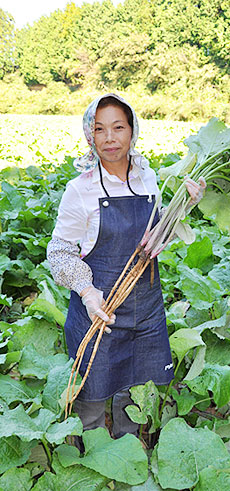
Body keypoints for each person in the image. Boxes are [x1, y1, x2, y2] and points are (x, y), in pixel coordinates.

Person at [47, 93, 205, 441]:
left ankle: (128, 457)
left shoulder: (150, 180)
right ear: (90, 136)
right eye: (99, 129)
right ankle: (89, 458)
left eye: (118, 127)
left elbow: (160, 233)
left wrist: (188, 203)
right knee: (92, 397)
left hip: (145, 309)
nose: (109, 138)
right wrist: (88, 294)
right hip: (99, 312)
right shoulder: (81, 190)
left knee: (133, 394)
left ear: (133, 131)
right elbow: (59, 252)